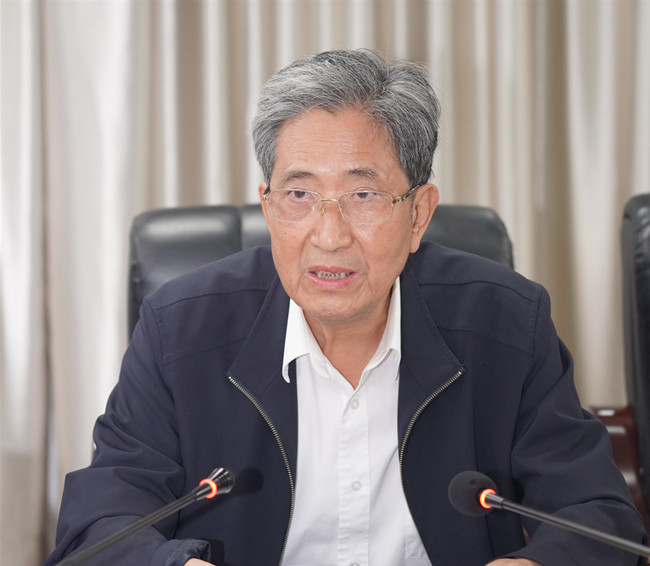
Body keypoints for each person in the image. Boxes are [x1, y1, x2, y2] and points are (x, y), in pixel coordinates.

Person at [45, 49, 645, 566]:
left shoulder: (507, 321)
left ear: (418, 214)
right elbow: (99, 527)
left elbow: (598, 519)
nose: (328, 236)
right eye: (299, 194)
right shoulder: (179, 330)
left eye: (363, 195)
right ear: (268, 206)